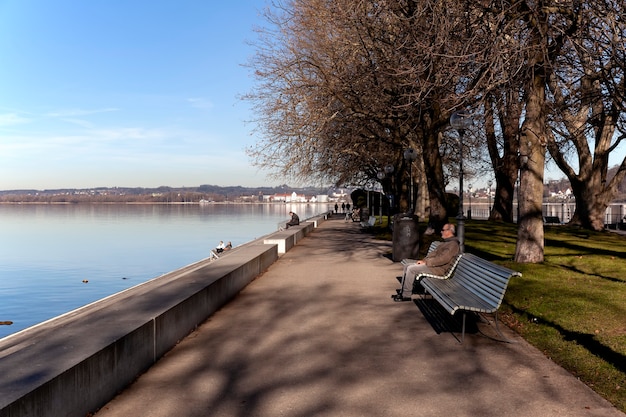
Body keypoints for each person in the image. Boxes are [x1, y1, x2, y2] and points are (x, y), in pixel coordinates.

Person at [392, 223, 460, 302]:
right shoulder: (447, 242)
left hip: (439, 269)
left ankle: (406, 295)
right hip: (434, 266)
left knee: (411, 269)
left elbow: (443, 259)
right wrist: (424, 261)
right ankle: (403, 292)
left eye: (443, 230)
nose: (441, 232)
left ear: (449, 231)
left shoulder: (453, 244)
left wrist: (426, 262)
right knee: (407, 265)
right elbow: (434, 254)